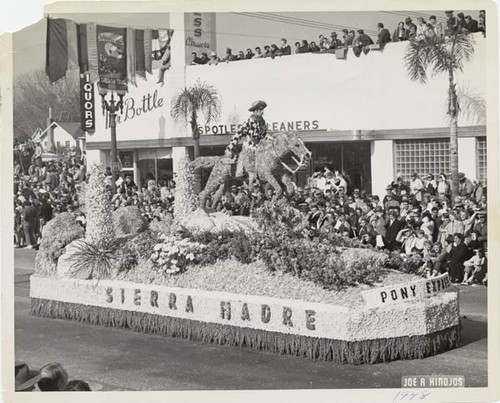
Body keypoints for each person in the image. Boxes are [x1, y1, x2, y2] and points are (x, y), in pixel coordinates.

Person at [224, 100, 269, 181]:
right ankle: (239, 172)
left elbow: (264, 134)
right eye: (260, 110)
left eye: (262, 109)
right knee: (243, 156)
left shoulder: (263, 123)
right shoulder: (248, 123)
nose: (262, 112)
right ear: (255, 111)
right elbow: (237, 135)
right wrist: (230, 148)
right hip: (249, 147)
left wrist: (269, 138)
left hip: (260, 148)